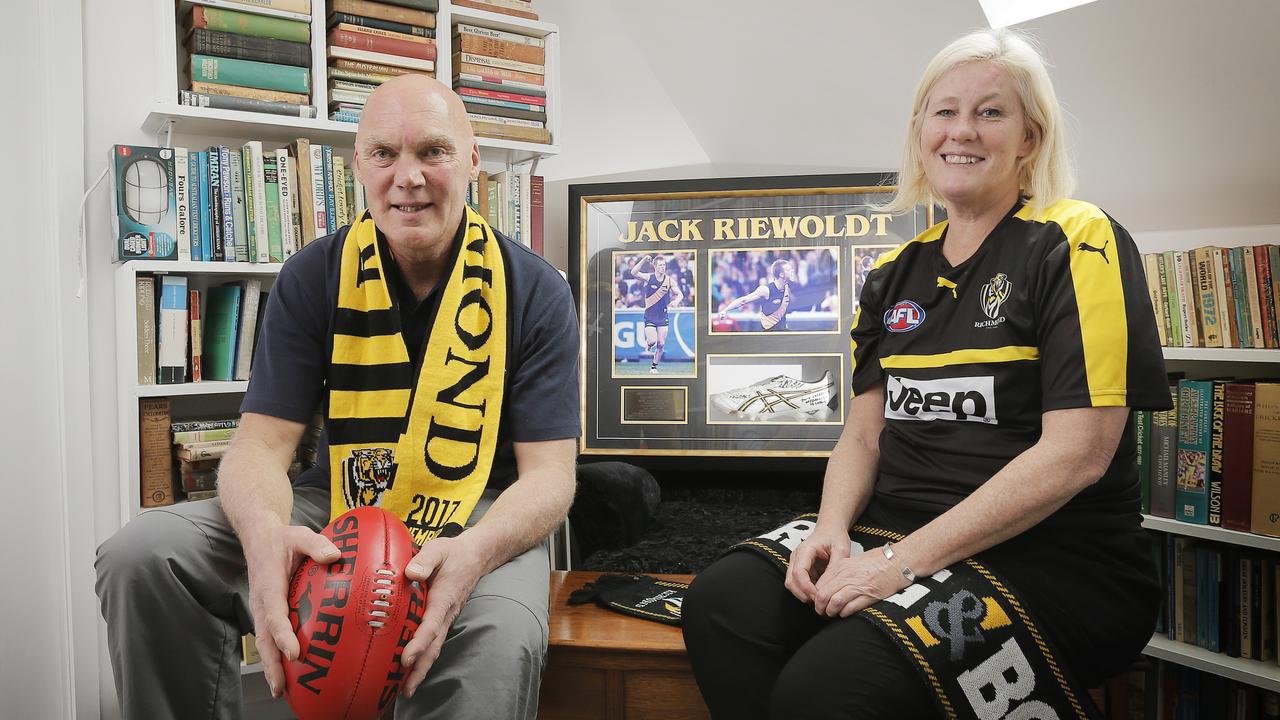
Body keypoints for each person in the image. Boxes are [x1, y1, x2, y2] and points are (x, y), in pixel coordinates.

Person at [683, 28, 1169, 720]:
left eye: (990, 112)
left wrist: (899, 566)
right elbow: (862, 438)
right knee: (721, 604)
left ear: (1030, 138)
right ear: (920, 132)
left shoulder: (1078, 239)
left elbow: (1077, 456)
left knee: (824, 687)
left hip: (1055, 562)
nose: (961, 132)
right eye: (943, 112)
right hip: (894, 532)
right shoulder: (892, 273)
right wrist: (830, 527)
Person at [95, 75, 581, 719]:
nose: (406, 177)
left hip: (478, 517)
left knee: (501, 638)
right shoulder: (312, 274)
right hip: (338, 499)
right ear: (358, 166)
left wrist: (475, 555)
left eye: (431, 151)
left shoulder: (537, 290)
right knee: (144, 555)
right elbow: (262, 445)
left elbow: (551, 477)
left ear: (471, 161)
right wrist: (265, 532)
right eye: (384, 153)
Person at [630, 254, 683, 373]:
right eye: (660, 265)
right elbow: (633, 272)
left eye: (664, 265)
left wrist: (676, 301)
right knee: (652, 342)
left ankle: (654, 367)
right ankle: (648, 345)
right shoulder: (649, 278)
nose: (662, 267)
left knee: (661, 344)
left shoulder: (669, 280)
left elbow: (680, 294)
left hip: (663, 316)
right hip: (650, 316)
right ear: (655, 267)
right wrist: (643, 260)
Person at [717, 258, 795, 331]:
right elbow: (743, 300)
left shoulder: (786, 287)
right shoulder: (765, 290)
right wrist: (725, 310)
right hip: (769, 334)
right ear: (781, 274)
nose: (792, 271)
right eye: (788, 270)